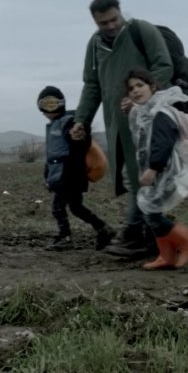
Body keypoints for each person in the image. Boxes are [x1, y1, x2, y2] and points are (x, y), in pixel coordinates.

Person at [70, 0, 174, 259]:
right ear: (95, 21)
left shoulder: (141, 31)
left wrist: (140, 97)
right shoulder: (95, 44)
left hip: (148, 122)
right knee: (133, 178)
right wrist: (82, 119)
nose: (110, 26)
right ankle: (149, 235)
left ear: (120, 12)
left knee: (141, 176)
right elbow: (92, 85)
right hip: (117, 124)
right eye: (103, 23)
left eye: (114, 19)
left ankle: (137, 233)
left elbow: (164, 67)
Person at [124, 68, 188, 269]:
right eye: (131, 88)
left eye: (140, 85)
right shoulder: (146, 112)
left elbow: (163, 143)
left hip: (165, 172)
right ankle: (166, 256)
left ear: (152, 87)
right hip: (158, 171)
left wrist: (153, 169)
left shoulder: (161, 112)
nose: (135, 90)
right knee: (151, 212)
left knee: (151, 213)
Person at [37, 86, 116, 251]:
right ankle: (104, 229)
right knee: (76, 208)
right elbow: (52, 157)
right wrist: (48, 176)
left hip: (69, 176)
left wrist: (81, 132)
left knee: (58, 208)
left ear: (61, 103)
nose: (49, 109)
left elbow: (81, 140)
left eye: (52, 103)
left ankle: (65, 237)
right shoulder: (54, 126)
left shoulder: (70, 123)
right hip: (64, 175)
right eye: (45, 104)